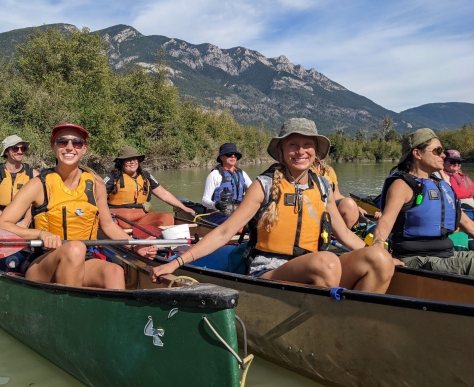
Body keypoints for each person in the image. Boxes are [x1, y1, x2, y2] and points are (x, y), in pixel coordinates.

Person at [152, 118, 396, 293]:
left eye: (307, 145)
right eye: (293, 145)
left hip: (318, 266)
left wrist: (386, 256)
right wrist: (176, 262)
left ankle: (355, 321)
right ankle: (331, 326)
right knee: (327, 262)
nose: (300, 151)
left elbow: (345, 236)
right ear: (281, 151)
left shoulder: (323, 187)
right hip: (269, 270)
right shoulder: (264, 185)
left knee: (378, 259)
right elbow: (225, 232)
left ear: (315, 151)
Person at [0, 124, 157, 288]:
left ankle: (115, 312)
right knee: (75, 248)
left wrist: (135, 245)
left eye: (77, 143)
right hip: (43, 263)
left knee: (114, 271)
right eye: (62, 142)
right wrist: (41, 234)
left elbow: (107, 225)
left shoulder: (96, 184)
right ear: (53, 147)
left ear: (84, 148)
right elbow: (2, 225)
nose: (69, 147)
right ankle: (69, 309)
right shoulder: (38, 184)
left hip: (83, 257)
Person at [374, 129, 474, 275]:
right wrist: (380, 252)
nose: (443, 155)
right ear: (417, 153)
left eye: (443, 151)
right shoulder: (403, 185)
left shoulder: (443, 187)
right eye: (437, 150)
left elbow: (468, 225)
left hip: (446, 255)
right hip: (416, 259)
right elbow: (385, 222)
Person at [104, 146, 195, 229]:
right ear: (121, 162)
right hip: (118, 220)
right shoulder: (112, 177)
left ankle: (151, 240)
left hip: (142, 219)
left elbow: (164, 194)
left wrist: (185, 208)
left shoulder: (146, 176)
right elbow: (95, 197)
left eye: (134, 159)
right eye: (128, 159)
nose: (132, 162)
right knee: (106, 223)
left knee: (167, 217)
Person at [0, 135, 39, 227]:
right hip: (0, 215)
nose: (20, 152)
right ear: (6, 151)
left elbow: (34, 205)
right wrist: (8, 223)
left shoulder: (34, 175)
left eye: (22, 148)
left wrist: (25, 222)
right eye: (15, 149)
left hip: (25, 217)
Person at [311, 158, 381, 226]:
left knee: (350, 204)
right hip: (313, 207)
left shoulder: (329, 170)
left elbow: (337, 195)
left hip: (330, 206)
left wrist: (355, 206)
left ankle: (346, 234)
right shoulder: (305, 170)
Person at [200, 143, 253, 225]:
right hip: (217, 213)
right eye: (229, 154)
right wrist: (216, 205)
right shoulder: (214, 175)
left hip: (238, 212)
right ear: (221, 157)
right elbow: (204, 200)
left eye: (235, 155)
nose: (233, 156)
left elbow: (254, 191)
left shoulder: (242, 174)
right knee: (234, 220)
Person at [437, 149, 474, 221]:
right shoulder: (439, 175)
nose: (456, 164)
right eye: (452, 161)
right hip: (461, 212)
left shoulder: (463, 176)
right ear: (443, 162)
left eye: (459, 162)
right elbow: (447, 190)